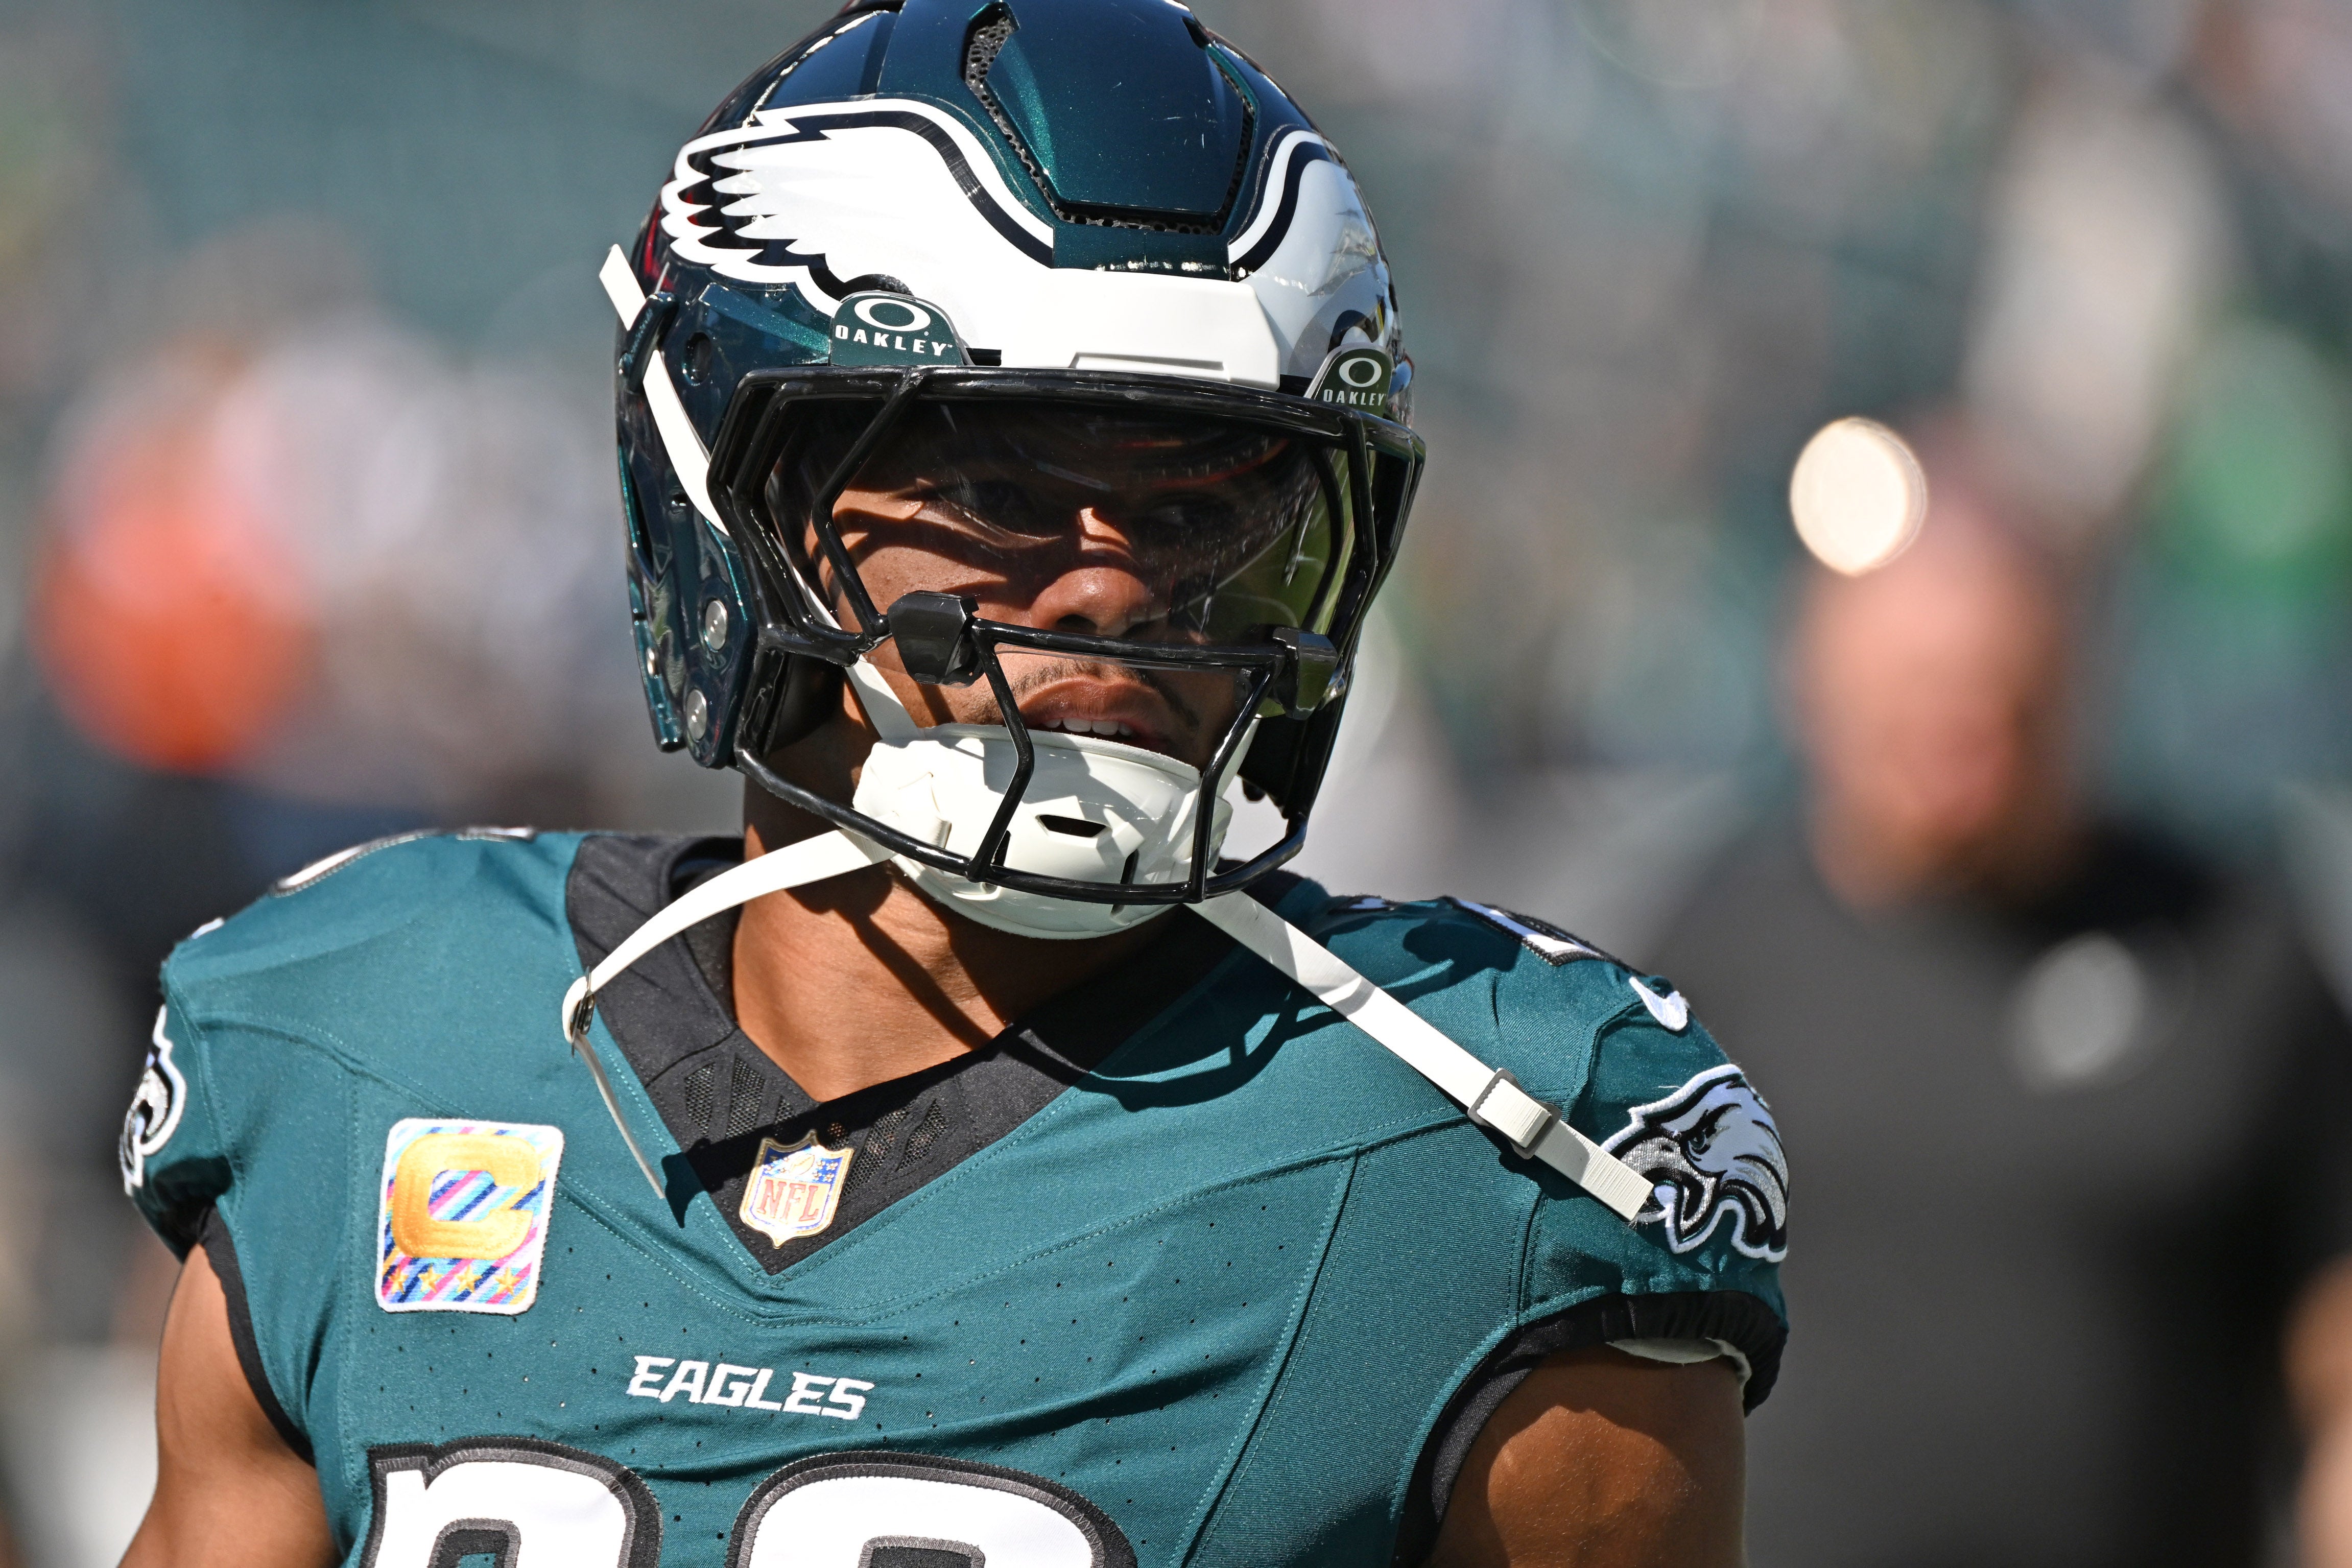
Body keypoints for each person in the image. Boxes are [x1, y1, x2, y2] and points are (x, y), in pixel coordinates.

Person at [111, 3, 1787, 1564]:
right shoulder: (369, 1036)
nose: (1109, 590)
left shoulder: (1489, 1158)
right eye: (998, 480)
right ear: (729, 496)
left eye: (1206, 503)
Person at [1648, 427, 2352, 1566]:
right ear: (1816, 685)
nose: (1951, 744)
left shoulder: (2233, 950)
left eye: (1991, 702)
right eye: (1911, 698)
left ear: (2069, 675)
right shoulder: (1712, 954)